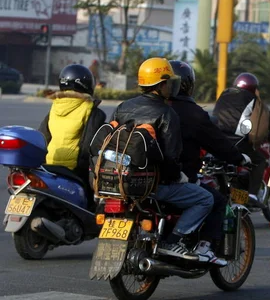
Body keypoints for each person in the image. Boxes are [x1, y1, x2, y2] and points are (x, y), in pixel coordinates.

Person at [111, 57, 215, 261]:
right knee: (205, 198)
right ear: (161, 84)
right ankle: (174, 241)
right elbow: (171, 157)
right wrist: (179, 177)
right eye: (169, 82)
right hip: (153, 185)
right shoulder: (167, 113)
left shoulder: (123, 107)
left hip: (121, 180)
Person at [168, 60, 252, 265]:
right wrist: (239, 158)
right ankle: (201, 246)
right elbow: (218, 143)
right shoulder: (192, 113)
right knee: (215, 200)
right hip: (175, 178)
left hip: (144, 179)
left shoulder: (142, 107)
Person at [213, 72, 270, 205]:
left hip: (216, 140)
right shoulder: (252, 99)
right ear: (253, 88)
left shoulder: (224, 95)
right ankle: (251, 195)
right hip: (237, 142)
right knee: (259, 160)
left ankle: (237, 193)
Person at [39, 64, 106, 195]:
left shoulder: (55, 107)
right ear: (88, 85)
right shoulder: (91, 110)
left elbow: (42, 136)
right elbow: (90, 145)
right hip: (75, 170)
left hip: (49, 164)